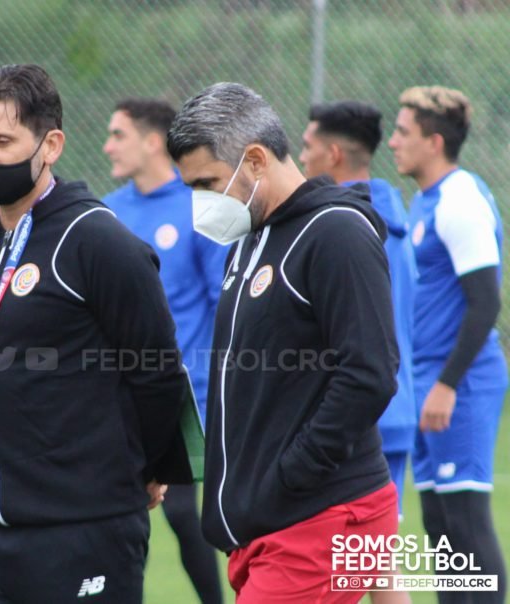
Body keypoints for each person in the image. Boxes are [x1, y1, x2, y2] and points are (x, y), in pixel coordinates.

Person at [0, 64, 192, 604]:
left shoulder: (96, 240)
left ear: (51, 145)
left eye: (2, 140)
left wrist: (153, 467)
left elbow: (158, 370)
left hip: (83, 530)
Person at [167, 82, 400, 603]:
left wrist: (292, 474)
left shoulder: (335, 233)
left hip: (316, 519)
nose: (200, 201)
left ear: (254, 160)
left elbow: (369, 372)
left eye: (207, 182)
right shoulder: (251, 240)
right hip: (270, 528)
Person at [102, 97, 225, 604]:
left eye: (118, 134)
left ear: (153, 142)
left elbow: (225, 302)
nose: (107, 145)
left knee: (181, 513)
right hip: (119, 396)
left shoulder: (200, 206)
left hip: (188, 392)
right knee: (123, 517)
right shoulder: (107, 212)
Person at [389, 85, 507, 604]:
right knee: (439, 527)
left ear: (433, 142)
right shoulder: (424, 201)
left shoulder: (459, 200)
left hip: (460, 383)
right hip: (426, 383)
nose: (392, 142)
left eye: (403, 132)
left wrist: (446, 384)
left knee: (466, 522)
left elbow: (485, 302)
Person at [300, 100, 417, 517]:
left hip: (353, 413)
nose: (299, 158)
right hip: (396, 403)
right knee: (375, 560)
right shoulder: (396, 216)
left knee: (348, 561)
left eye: (306, 145)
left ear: (333, 155)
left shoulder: (340, 228)